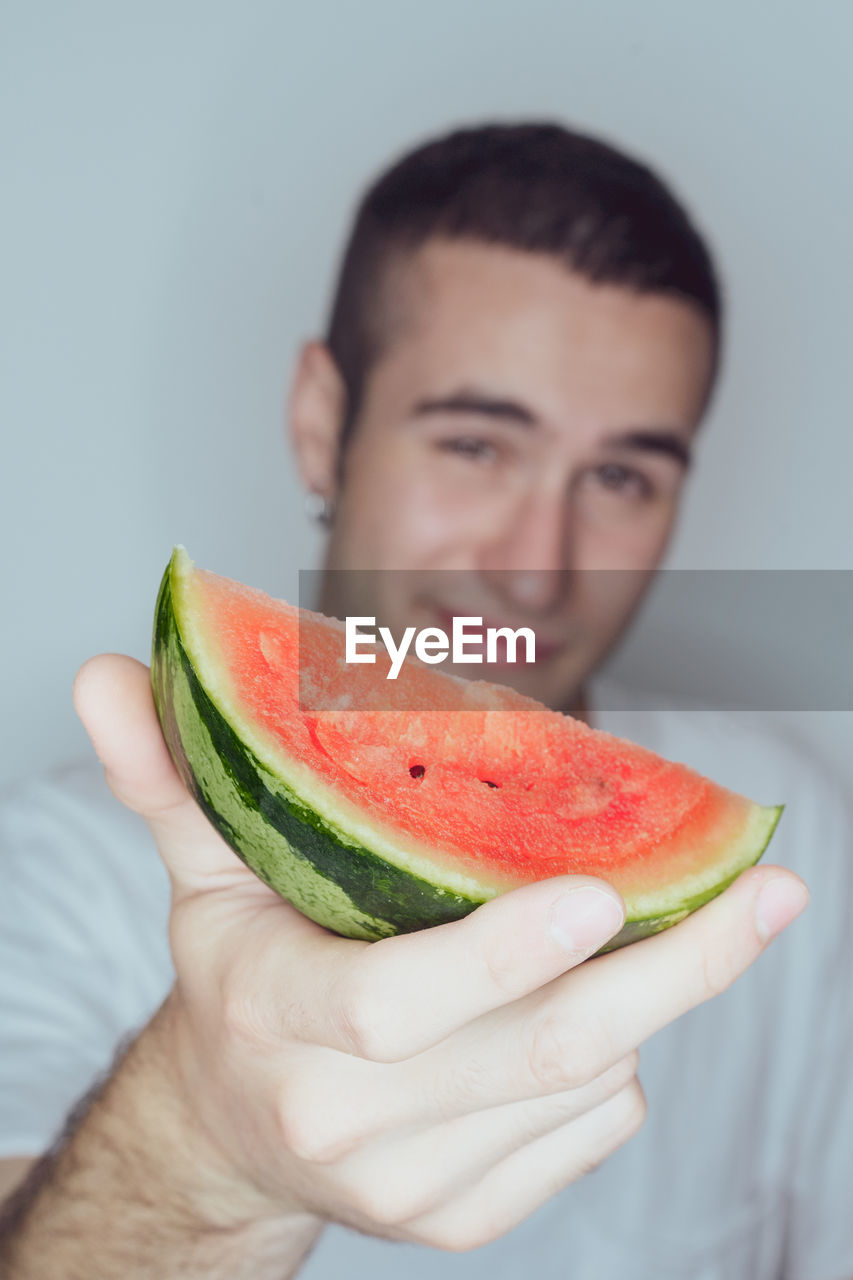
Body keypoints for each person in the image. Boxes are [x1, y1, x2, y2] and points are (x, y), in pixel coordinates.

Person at [0, 122, 850, 1280]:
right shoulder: (57, 870)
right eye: (475, 445)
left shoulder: (807, 842)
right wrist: (202, 1150)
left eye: (619, 476)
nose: (537, 568)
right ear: (321, 423)